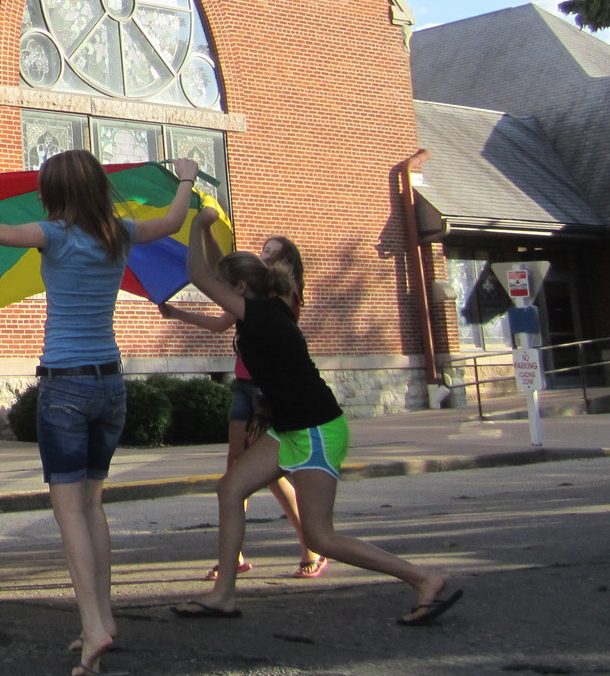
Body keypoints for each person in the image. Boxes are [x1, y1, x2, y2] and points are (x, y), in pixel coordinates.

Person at [0, 152, 199, 676]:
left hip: (65, 388)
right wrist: (188, 179)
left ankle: (93, 627)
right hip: (110, 385)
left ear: (55, 192)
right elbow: (175, 221)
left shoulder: (53, 235)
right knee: (92, 504)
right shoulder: (120, 233)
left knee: (69, 512)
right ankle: (102, 618)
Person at [173, 207, 463, 626]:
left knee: (319, 536)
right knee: (231, 487)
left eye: (226, 285)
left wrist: (198, 227)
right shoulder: (263, 305)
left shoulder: (263, 313)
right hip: (291, 427)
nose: (218, 289)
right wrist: (212, 236)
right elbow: (220, 269)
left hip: (316, 430)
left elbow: (201, 274)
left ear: (238, 288)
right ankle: (223, 596)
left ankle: (423, 578)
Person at [158, 235, 324, 579]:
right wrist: (176, 313)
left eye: (269, 251)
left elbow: (221, 274)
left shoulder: (282, 292)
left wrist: (210, 238)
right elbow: (221, 320)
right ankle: (234, 557)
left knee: (270, 473)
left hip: (267, 391)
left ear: (285, 258)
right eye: (260, 251)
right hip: (243, 386)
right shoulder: (249, 295)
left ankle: (311, 545)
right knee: (236, 470)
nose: (262, 254)